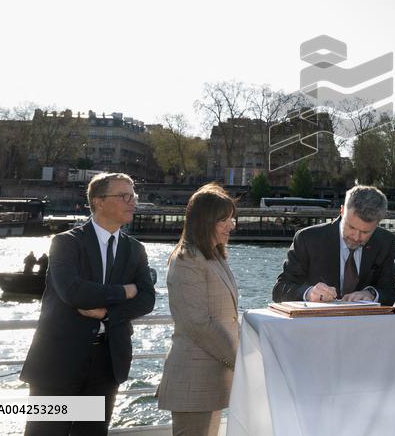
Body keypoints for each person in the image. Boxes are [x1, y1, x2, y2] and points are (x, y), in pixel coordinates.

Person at [20, 172, 156, 436]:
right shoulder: (66, 243)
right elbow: (74, 293)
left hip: (106, 364)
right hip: (59, 363)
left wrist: (106, 314)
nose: (133, 202)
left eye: (134, 196)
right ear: (99, 201)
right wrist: (123, 291)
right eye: (125, 196)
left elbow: (147, 299)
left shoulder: (135, 249)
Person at [158, 183, 239, 436]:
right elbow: (197, 322)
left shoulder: (213, 256)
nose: (231, 225)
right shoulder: (187, 259)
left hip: (212, 378)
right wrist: (240, 361)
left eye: (232, 219)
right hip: (193, 380)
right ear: (204, 221)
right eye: (223, 220)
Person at [272, 184, 395, 305]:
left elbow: (389, 292)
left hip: (364, 323)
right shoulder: (308, 239)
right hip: (316, 322)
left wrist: (372, 294)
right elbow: (279, 290)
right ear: (342, 211)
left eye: (365, 232)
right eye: (351, 227)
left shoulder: (385, 242)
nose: (356, 237)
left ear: (378, 223)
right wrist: (309, 293)